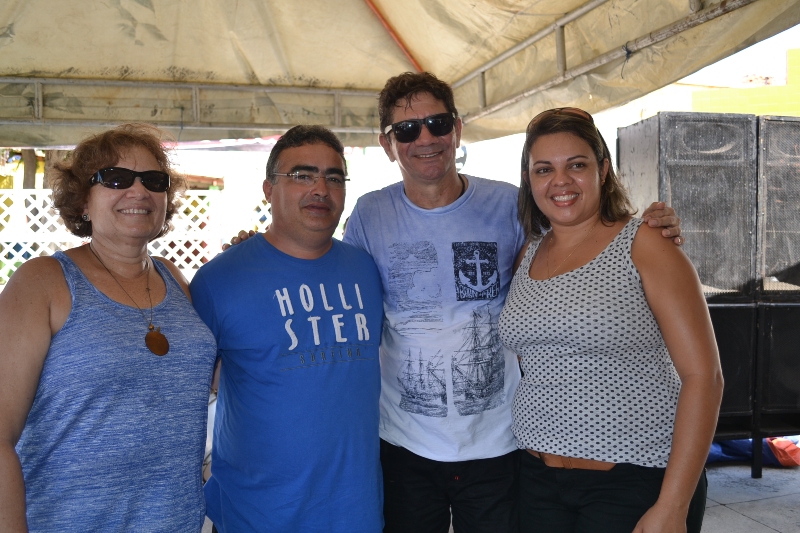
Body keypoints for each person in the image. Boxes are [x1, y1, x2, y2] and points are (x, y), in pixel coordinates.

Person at [341, 72, 684, 533]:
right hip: (405, 443)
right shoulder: (369, 214)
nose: (424, 138)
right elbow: (341, 290)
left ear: (457, 129)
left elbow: (578, 227)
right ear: (387, 144)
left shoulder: (509, 204)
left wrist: (651, 226)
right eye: (406, 129)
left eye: (437, 123)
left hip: (501, 443)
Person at [498, 108, 723, 533]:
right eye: (544, 169)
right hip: (536, 480)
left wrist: (673, 505)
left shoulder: (645, 243)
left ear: (602, 170)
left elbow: (704, 377)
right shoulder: (529, 252)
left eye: (576, 165)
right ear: (529, 179)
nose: (560, 181)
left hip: (633, 480)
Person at [0, 124, 217, 532]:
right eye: (116, 178)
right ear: (83, 199)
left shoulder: (174, 277)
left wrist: (245, 272)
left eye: (153, 180)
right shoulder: (42, 282)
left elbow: (220, 377)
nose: (139, 191)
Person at [190, 125, 385, 532]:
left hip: (356, 511)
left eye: (334, 177)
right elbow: (190, 393)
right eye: (302, 175)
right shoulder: (218, 281)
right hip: (257, 515)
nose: (320, 189)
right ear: (269, 188)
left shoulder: (366, 269)